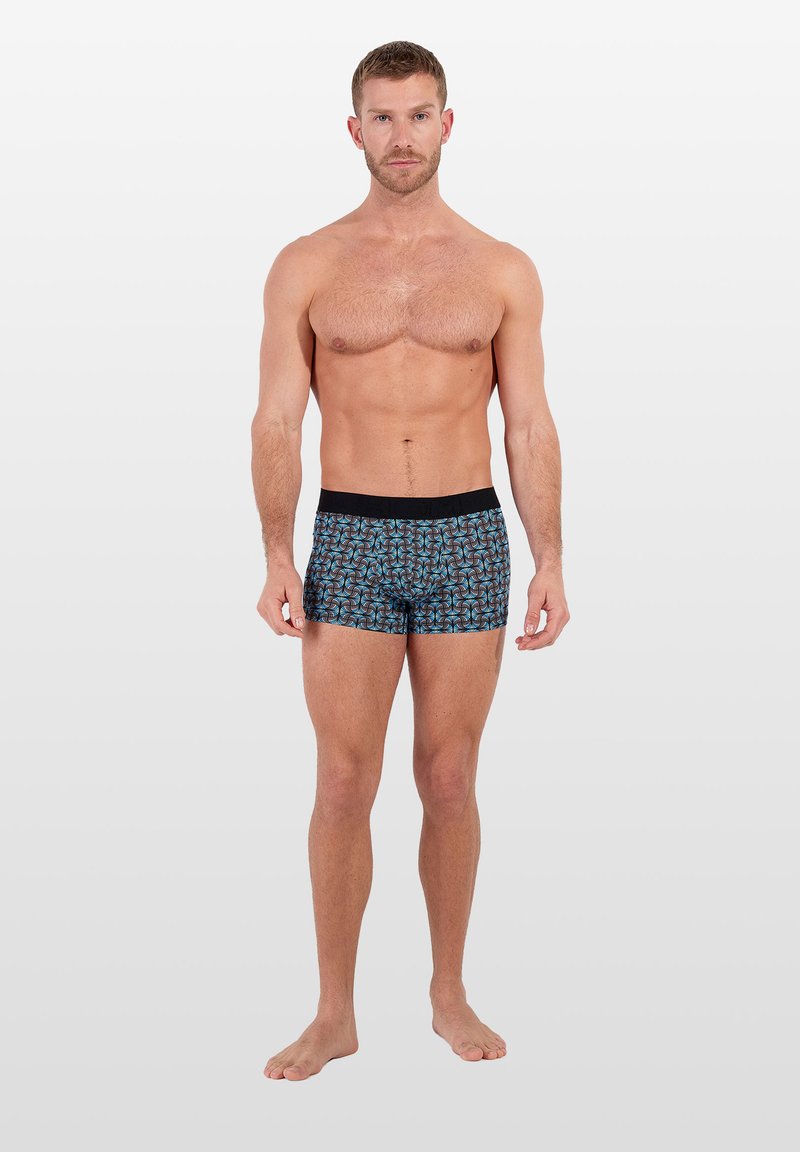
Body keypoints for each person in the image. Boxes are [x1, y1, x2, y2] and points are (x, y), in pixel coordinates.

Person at [252, 40, 569, 1082]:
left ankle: (447, 990)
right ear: (354, 130)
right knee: (343, 780)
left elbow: (528, 424)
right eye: (382, 117)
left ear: (447, 124)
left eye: (419, 115)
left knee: (449, 775)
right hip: (348, 533)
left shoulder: (500, 268)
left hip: (466, 533)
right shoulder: (307, 264)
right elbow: (275, 420)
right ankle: (333, 1012)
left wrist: (549, 558)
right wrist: (276, 552)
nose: (401, 136)